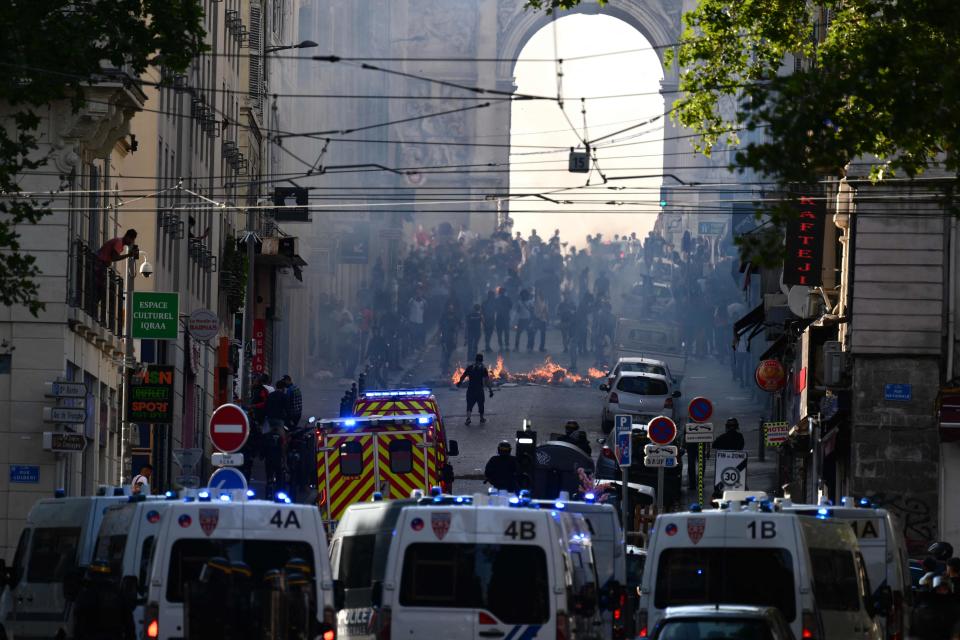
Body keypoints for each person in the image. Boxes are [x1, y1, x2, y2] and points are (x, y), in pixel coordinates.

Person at [456, 352, 494, 425]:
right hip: (479, 390)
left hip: (471, 389)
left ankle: (468, 418)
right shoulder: (483, 369)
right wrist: (490, 390)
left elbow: (463, 376)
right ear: (482, 360)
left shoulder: (470, 367)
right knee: (481, 404)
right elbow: (487, 381)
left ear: (475, 359)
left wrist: (459, 383)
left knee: (469, 404)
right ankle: (481, 418)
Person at [494, 287, 512, 351]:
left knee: (499, 332)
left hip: (499, 317)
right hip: (506, 317)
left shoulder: (496, 299)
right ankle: (506, 345)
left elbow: (495, 308)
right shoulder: (507, 299)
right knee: (506, 332)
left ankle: (501, 345)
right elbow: (510, 307)